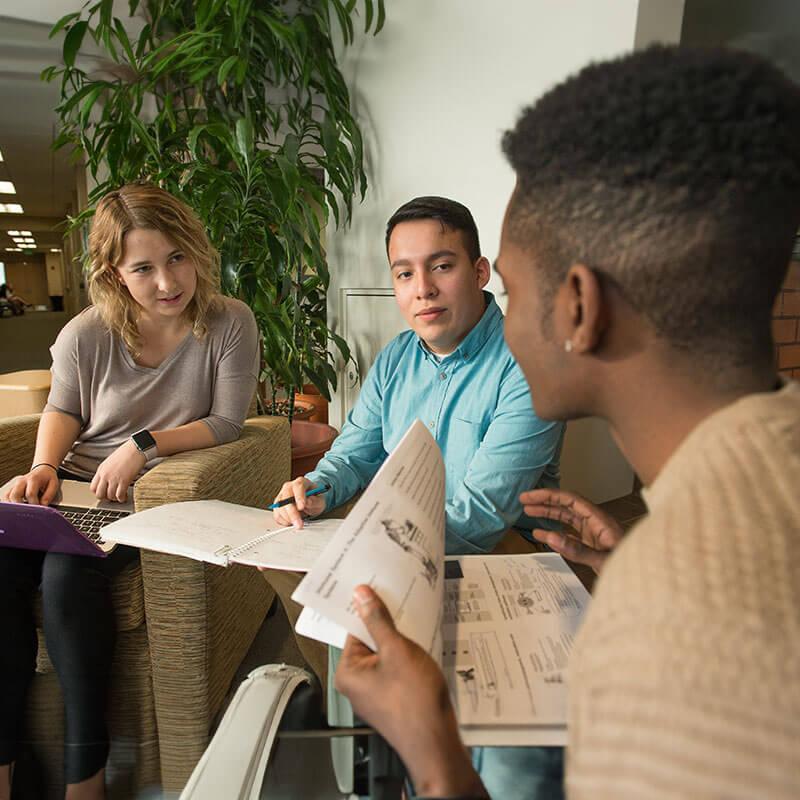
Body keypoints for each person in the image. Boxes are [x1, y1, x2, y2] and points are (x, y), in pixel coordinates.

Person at [333, 45, 800, 800]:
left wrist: (436, 758)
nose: (502, 323)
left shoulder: (689, 618)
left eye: (510, 289)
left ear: (579, 309)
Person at [268, 196, 565, 799]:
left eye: (442, 266)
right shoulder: (396, 358)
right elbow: (355, 451)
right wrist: (317, 490)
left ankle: (429, 763)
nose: (422, 289)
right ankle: (373, 761)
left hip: (501, 552)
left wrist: (376, 553)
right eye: (404, 274)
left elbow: (483, 513)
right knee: (289, 560)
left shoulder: (527, 359)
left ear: (480, 271)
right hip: (403, 542)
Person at [0, 183, 259, 800]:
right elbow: (63, 407)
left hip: (142, 498)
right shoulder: (86, 334)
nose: (167, 281)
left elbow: (227, 422)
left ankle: (84, 781)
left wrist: (143, 446)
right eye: (143, 267)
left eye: (177, 258)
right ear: (114, 273)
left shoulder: (228, 321)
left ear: (195, 251)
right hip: (75, 489)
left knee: (67, 577)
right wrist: (43, 466)